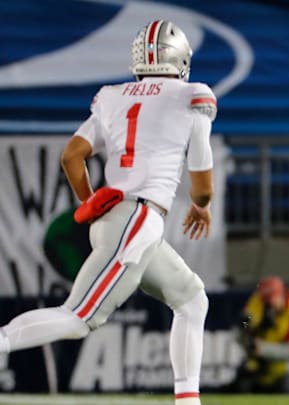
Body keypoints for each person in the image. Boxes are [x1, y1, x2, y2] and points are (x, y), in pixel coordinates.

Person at [0, 20, 216, 405]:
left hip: (116, 217)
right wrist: (202, 203)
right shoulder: (192, 94)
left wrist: (89, 202)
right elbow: (200, 169)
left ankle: (188, 401)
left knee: (191, 299)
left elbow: (72, 156)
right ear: (180, 58)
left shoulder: (113, 96)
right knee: (78, 317)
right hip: (138, 218)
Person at [231, 276, 289, 394]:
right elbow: (244, 325)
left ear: (282, 295)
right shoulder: (257, 304)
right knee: (241, 384)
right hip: (262, 368)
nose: (268, 305)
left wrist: (262, 349)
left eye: (271, 300)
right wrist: (245, 327)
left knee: (287, 387)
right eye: (265, 301)